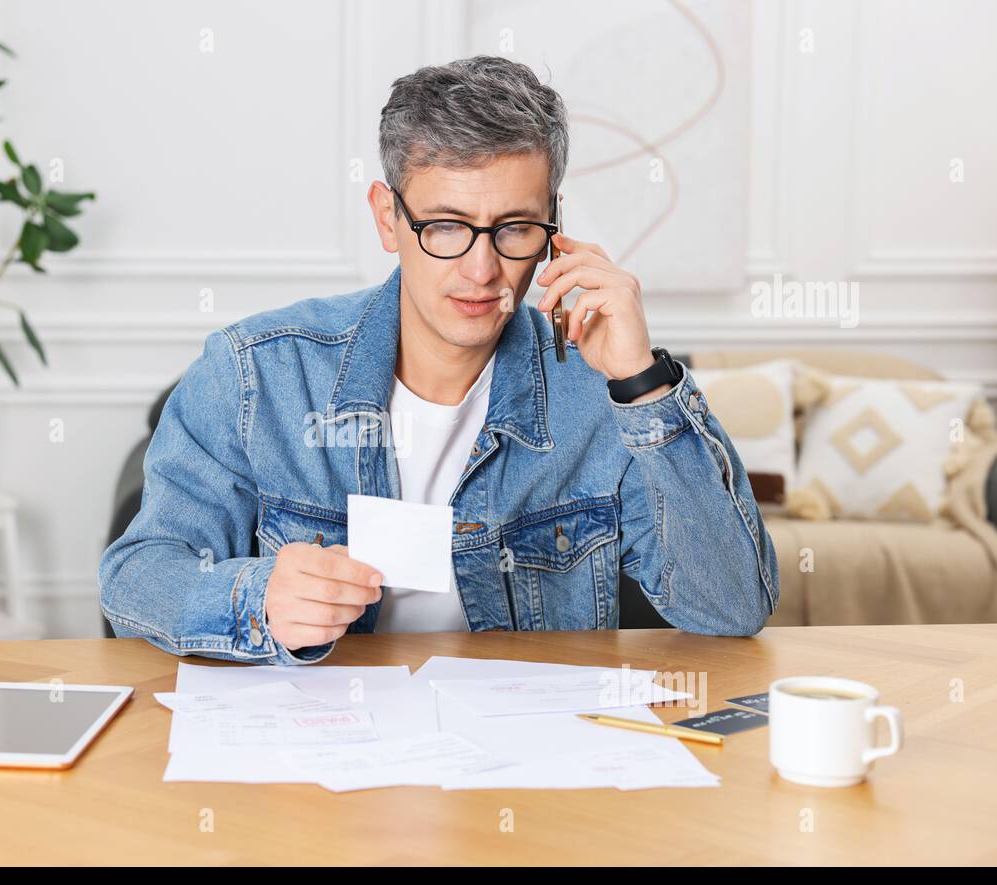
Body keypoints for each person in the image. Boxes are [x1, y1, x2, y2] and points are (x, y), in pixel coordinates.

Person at [99, 56, 778, 664]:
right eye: (446, 226)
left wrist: (642, 383)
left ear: (553, 227)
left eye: (514, 228)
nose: (482, 270)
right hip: (320, 742)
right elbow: (138, 577)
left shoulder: (601, 392)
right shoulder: (256, 374)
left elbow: (731, 608)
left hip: (526, 748)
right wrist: (259, 598)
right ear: (387, 217)